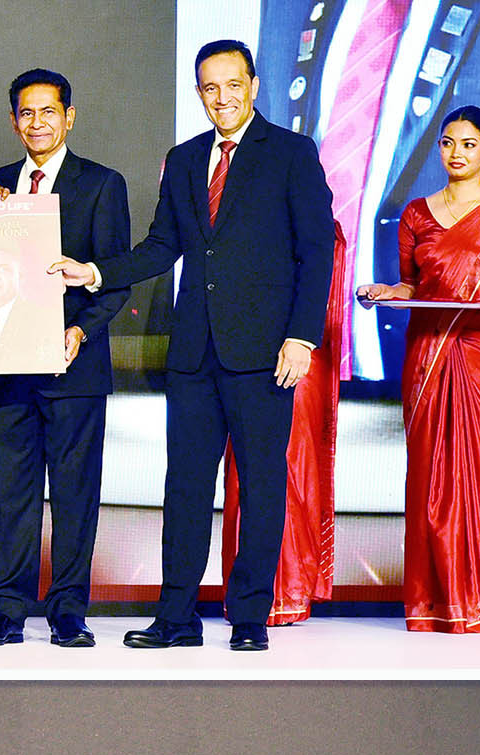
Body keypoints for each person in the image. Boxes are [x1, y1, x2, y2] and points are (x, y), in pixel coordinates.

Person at [56, 40, 333, 652]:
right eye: (210, 87)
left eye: (233, 84)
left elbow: (316, 252)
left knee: (259, 486)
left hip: (265, 354)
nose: (222, 97)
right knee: (184, 487)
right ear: (199, 93)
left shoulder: (291, 153)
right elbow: (162, 247)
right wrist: (96, 272)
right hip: (193, 355)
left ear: (253, 86)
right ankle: (176, 616)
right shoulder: (183, 160)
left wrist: (301, 337)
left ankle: (249, 617)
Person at [359, 107, 480, 633]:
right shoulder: (416, 215)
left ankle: (477, 602)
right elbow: (411, 286)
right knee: (429, 476)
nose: (457, 153)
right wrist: (385, 292)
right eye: (448, 143)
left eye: (468, 144)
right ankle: (430, 602)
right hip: (429, 356)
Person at [0, 70, 128, 649]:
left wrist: (81, 331)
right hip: (9, 370)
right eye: (26, 113)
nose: (37, 123)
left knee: (74, 496)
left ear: (69, 116)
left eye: (48, 111)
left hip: (74, 369)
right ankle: (6, 609)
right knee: (12, 494)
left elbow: (115, 281)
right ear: (14, 121)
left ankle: (68, 610)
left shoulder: (102, 184)